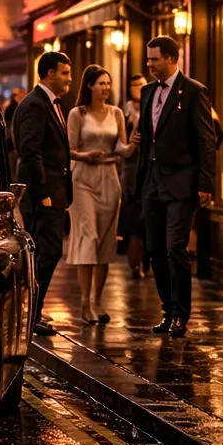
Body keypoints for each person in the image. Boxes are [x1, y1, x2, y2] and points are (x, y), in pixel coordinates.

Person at [132, 35, 216, 338]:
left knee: (174, 247)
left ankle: (182, 313)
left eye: (154, 59)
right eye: (149, 58)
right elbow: (147, 135)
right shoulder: (147, 92)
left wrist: (206, 182)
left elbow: (207, 140)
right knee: (154, 249)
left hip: (182, 182)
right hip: (151, 182)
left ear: (170, 58)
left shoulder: (193, 92)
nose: (149, 64)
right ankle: (168, 309)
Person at [66, 65, 136, 325]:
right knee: (88, 236)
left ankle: (97, 300)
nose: (106, 88)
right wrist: (85, 155)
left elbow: (121, 149)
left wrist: (132, 146)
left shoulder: (117, 113)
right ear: (89, 86)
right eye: (101, 83)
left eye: (108, 83)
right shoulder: (77, 114)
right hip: (83, 178)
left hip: (109, 178)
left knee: (105, 242)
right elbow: (69, 149)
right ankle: (84, 304)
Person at [13, 51, 73, 335]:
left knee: (47, 253)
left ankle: (35, 311)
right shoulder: (36, 105)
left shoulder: (52, 103)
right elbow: (30, 151)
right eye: (65, 72)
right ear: (49, 73)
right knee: (46, 252)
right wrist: (43, 193)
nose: (69, 78)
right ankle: (31, 313)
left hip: (55, 191)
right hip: (43, 194)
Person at [120, 74, 150, 278]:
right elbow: (121, 146)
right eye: (134, 85)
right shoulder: (125, 112)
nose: (138, 88)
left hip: (150, 171)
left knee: (148, 220)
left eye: (141, 85)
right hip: (131, 174)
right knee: (134, 223)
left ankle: (147, 262)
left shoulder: (153, 107)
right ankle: (135, 265)